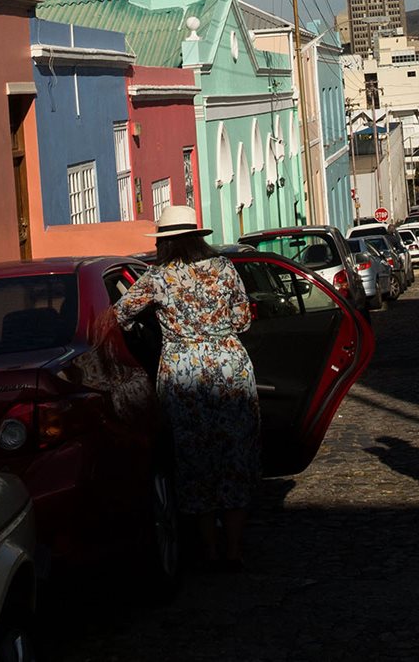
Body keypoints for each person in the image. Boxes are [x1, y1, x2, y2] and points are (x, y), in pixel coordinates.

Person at [114, 206, 260, 570]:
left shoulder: (158, 278)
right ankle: (235, 550)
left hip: (182, 371)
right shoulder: (225, 268)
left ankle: (208, 551)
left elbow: (119, 314)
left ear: (164, 243)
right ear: (198, 236)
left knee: (194, 461)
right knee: (234, 457)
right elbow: (243, 320)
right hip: (229, 366)